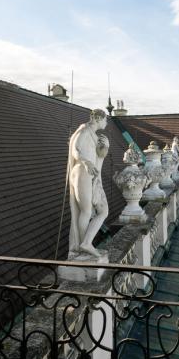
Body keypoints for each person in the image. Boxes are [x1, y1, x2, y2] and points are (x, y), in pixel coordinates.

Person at [67, 110, 109, 257]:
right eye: (105, 120)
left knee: (102, 211)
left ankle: (86, 242)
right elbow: (75, 150)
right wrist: (85, 162)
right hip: (82, 172)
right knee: (86, 211)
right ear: (98, 118)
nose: (106, 123)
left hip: (90, 174)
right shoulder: (84, 130)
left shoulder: (94, 135)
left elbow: (100, 155)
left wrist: (105, 147)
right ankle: (85, 245)